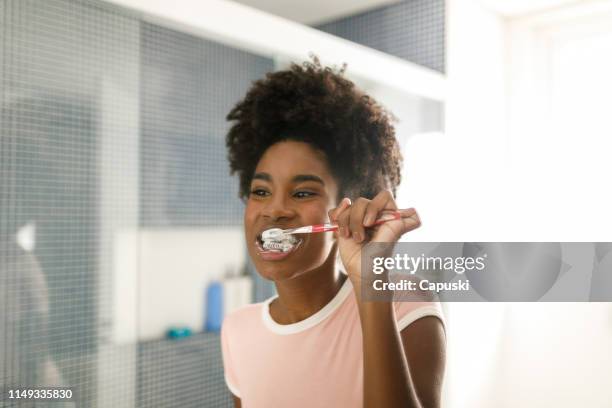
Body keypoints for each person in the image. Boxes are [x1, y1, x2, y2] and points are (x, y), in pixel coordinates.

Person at [221, 57, 446, 408]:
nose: (274, 209)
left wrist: (371, 281)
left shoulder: (406, 303)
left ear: (350, 209)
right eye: (261, 191)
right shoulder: (238, 329)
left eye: (303, 192)